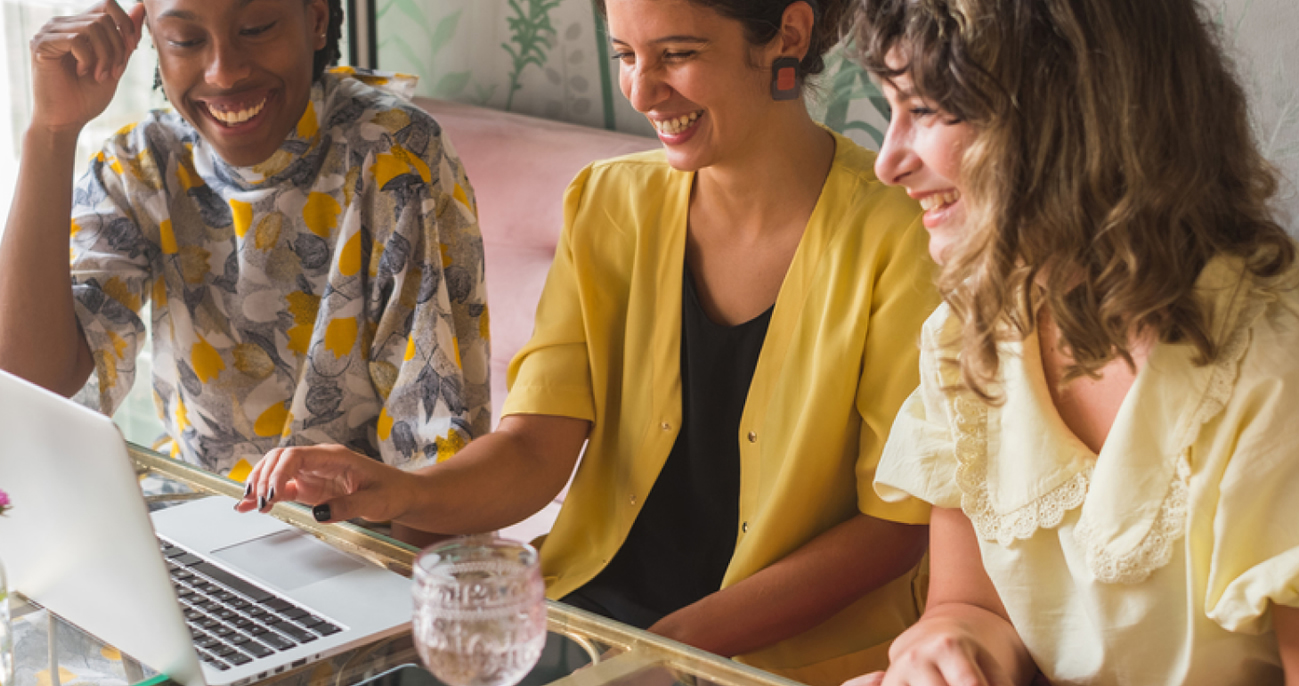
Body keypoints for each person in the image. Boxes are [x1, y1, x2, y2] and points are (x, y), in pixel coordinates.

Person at [237, 0, 940, 682]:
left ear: (788, 34)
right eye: (626, 55)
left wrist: (666, 650)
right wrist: (393, 491)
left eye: (678, 54)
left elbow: (892, 529)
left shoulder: (901, 235)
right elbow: (535, 449)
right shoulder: (608, 202)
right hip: (588, 623)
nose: (642, 90)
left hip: (775, 657)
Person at [840, 0, 1299, 683]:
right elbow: (972, 604)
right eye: (891, 109)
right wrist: (948, 650)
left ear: (1063, 114)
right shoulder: (970, 329)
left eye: (923, 111)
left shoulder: (1290, 368)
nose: (888, 163)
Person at [0, 0, 490, 485]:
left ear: (316, 19)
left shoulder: (394, 157)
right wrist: (51, 132)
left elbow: (433, 445)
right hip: (192, 518)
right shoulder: (143, 163)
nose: (224, 73)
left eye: (256, 28)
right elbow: (33, 382)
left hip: (353, 537)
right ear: (153, 41)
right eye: (185, 41)